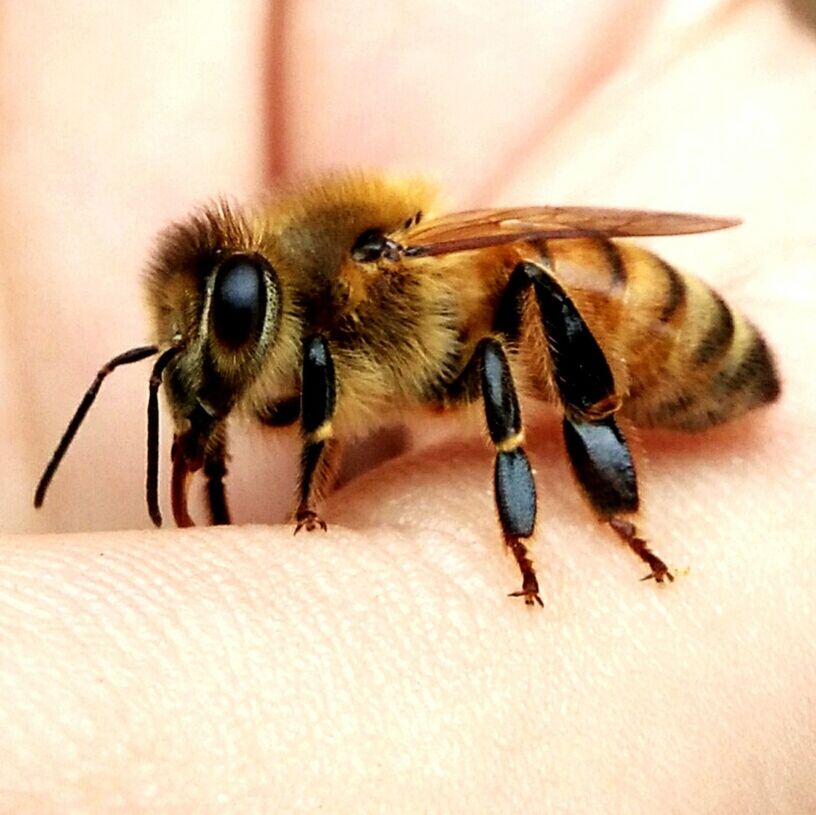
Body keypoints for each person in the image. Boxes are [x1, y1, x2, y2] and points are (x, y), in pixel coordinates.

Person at [3, 1, 815, 811]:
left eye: (220, 325)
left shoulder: (357, 275)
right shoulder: (289, 325)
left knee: (511, 320)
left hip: (640, 323)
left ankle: (612, 511)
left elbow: (351, 362)